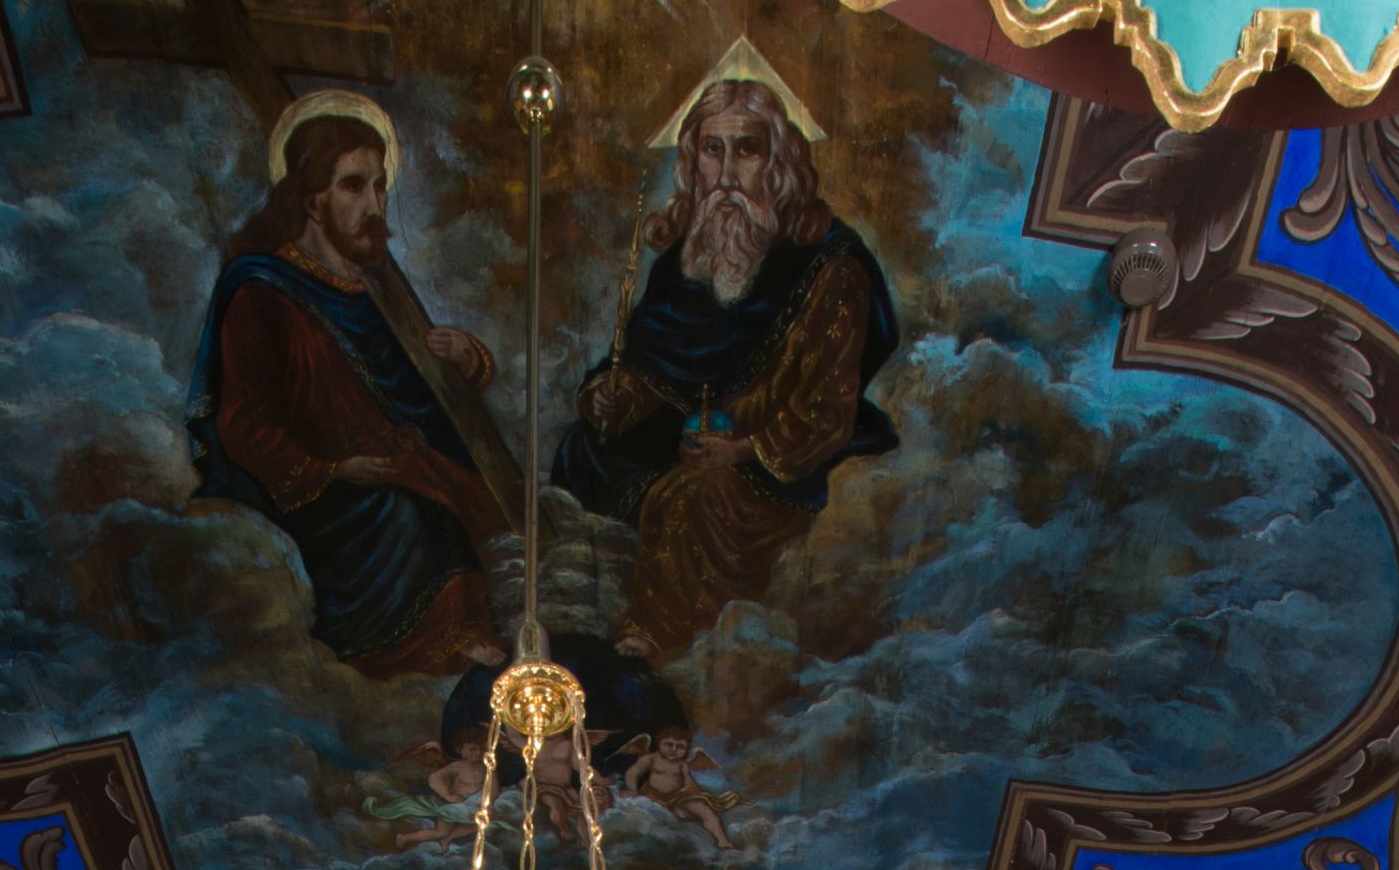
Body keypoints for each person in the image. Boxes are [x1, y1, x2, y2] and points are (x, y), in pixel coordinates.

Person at [553, 61, 898, 663]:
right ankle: (570, 617)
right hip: (689, 437)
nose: (729, 174)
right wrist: (614, 394)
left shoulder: (828, 268)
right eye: (713, 150)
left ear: (778, 162)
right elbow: (651, 362)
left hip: (771, 460)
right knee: (581, 451)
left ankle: (655, 639)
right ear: (694, 162)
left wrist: (739, 450)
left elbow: (827, 409)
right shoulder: (689, 254)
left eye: (748, 150)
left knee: (690, 496)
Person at [189, 94, 503, 680]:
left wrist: (467, 358)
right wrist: (331, 470)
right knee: (407, 515)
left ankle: (471, 635)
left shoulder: (378, 291)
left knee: (474, 501)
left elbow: (415, 396)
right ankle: (432, 648)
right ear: (313, 201)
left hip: (393, 468)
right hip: (314, 495)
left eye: (380, 187)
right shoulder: (261, 290)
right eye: (354, 187)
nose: (375, 205)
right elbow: (242, 422)